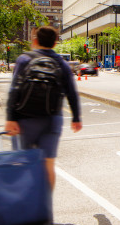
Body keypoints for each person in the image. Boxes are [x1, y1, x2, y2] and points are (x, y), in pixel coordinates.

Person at [5, 26, 83, 189]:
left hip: (26, 119)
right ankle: (44, 206)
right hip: (52, 118)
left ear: (35, 41)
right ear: (55, 43)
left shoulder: (24, 59)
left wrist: (10, 118)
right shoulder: (61, 63)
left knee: (25, 162)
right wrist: (76, 118)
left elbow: (14, 89)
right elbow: (71, 92)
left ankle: (27, 204)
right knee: (49, 164)